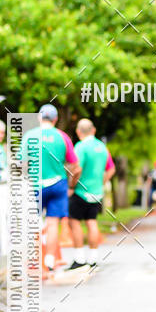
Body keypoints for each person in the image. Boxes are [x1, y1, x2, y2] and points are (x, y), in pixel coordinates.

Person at [20, 104, 81, 275]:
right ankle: (50, 261)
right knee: (53, 223)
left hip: (35, 185)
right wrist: (71, 185)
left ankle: (34, 263)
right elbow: (75, 166)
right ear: (55, 119)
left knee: (34, 224)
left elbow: (21, 163)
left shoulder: (30, 136)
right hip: (57, 184)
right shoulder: (62, 137)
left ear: (39, 118)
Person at [67, 118, 115, 270]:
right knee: (92, 222)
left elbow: (77, 169)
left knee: (74, 222)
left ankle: (79, 258)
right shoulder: (102, 147)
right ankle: (93, 258)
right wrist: (101, 182)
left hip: (81, 191)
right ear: (93, 130)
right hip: (96, 193)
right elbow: (111, 169)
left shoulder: (80, 147)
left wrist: (71, 185)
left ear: (78, 132)